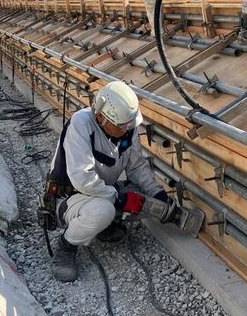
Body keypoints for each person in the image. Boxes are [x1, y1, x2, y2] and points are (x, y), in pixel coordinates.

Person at [48, 81, 171, 282]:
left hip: (103, 192)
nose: (128, 128)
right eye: (122, 125)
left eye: (130, 124)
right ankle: (66, 246)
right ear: (101, 116)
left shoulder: (126, 128)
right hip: (69, 197)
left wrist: (158, 195)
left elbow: (137, 166)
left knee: (142, 200)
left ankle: (105, 225)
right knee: (104, 210)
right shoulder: (81, 124)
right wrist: (118, 199)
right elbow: (82, 178)